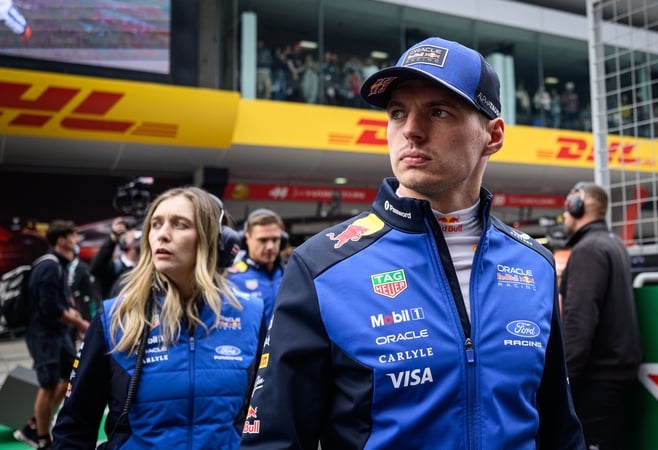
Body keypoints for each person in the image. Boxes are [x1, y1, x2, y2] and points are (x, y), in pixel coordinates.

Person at [240, 36, 585, 450]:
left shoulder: (535, 264)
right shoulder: (321, 266)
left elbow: (560, 428)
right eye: (397, 112)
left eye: (438, 112)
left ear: (492, 136)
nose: (411, 131)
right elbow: (274, 440)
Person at [51, 187, 267, 449]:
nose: (162, 234)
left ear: (214, 240)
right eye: (156, 224)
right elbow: (74, 427)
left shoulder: (252, 314)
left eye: (180, 224)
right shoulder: (114, 317)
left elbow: (265, 416)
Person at [559, 181, 643, 450]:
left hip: (597, 382)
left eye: (567, 207)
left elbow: (578, 322)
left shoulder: (588, 250)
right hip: (617, 379)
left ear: (577, 206)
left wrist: (564, 383)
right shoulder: (612, 243)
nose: (564, 215)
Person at [14, 220, 90, 449]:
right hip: (44, 335)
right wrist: (79, 322)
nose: (76, 241)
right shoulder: (48, 266)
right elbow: (50, 309)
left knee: (69, 377)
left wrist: (75, 321)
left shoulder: (59, 265)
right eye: (73, 236)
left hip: (58, 335)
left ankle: (35, 425)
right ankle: (42, 439)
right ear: (61, 239)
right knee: (47, 384)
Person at [227, 208, 286, 321]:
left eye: (275, 239)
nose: (270, 246)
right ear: (246, 238)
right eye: (263, 240)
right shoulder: (231, 279)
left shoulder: (291, 274)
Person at [90, 216, 140, 299]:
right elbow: (96, 267)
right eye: (133, 235)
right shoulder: (115, 268)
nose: (137, 239)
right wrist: (112, 239)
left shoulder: (147, 267)